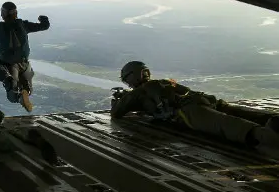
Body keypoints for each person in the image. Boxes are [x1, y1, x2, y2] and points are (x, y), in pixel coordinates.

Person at [111, 61, 279, 148]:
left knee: (233, 127)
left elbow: (117, 112)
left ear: (132, 77)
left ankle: (272, 138)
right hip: (205, 100)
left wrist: (118, 100)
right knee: (245, 113)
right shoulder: (163, 82)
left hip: (190, 112)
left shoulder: (138, 93)